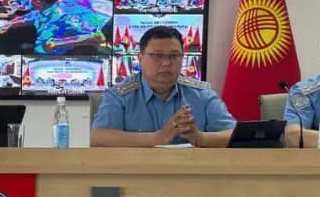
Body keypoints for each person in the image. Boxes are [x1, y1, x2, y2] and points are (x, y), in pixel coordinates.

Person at [91, 26, 236, 147]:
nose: (166, 63)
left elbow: (233, 135)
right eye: (157, 56)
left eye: (174, 56)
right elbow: (98, 137)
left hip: (190, 170)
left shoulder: (202, 94)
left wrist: (200, 138)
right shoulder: (120, 95)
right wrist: (156, 138)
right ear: (140, 59)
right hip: (137, 170)